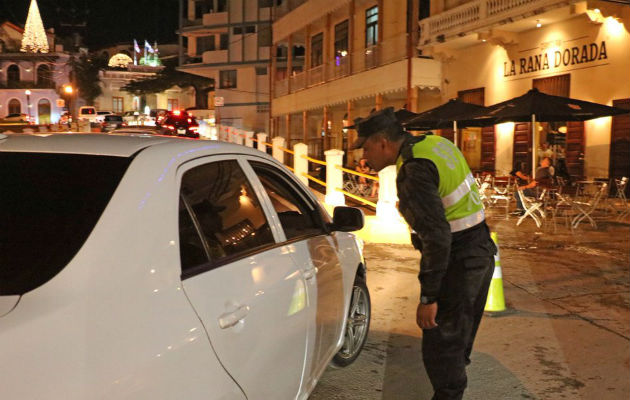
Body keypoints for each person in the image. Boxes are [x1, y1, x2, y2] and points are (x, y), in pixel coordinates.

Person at [351, 107, 496, 400]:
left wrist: (429, 296)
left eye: (366, 148)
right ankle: (454, 383)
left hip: (458, 260)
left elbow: (437, 238)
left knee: (440, 344)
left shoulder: (414, 169)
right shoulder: (436, 144)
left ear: (383, 142)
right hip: (480, 251)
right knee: (458, 337)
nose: (364, 157)